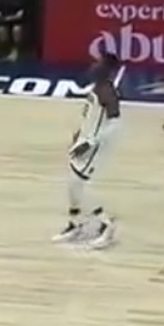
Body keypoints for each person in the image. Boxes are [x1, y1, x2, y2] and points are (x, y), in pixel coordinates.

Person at [54, 51, 122, 249]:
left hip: (92, 146)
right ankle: (75, 224)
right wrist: (79, 134)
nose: (93, 65)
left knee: (79, 185)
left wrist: (92, 141)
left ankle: (106, 225)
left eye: (98, 63)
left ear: (106, 69)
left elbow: (115, 124)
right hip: (83, 141)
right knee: (71, 185)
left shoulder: (107, 91)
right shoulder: (97, 87)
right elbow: (91, 117)